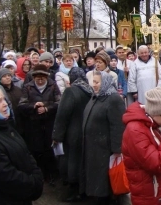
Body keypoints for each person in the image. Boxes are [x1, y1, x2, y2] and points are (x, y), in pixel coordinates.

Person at [0, 86, 44, 204]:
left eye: (4, 99)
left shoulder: (5, 126)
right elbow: (5, 177)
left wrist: (37, 175)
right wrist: (33, 184)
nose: (5, 104)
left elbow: (26, 153)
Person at [122, 87, 161, 205]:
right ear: (155, 112)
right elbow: (156, 164)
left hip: (154, 192)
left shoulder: (151, 125)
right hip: (147, 196)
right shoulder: (136, 130)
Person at [81, 71, 125, 205]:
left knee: (104, 180)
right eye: (93, 82)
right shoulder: (96, 96)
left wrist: (117, 149)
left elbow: (118, 125)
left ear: (105, 82)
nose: (94, 85)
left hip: (104, 149)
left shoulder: (113, 99)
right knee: (96, 178)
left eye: (97, 82)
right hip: (93, 147)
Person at [52, 67, 93, 202]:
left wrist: (57, 136)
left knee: (72, 162)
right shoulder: (90, 90)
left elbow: (62, 115)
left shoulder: (70, 92)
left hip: (72, 133)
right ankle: (85, 189)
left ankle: (74, 191)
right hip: (87, 132)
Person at [18, 64, 61, 185]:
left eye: (43, 77)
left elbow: (59, 102)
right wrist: (33, 106)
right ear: (34, 77)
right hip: (34, 124)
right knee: (37, 149)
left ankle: (52, 174)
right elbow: (21, 105)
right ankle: (40, 174)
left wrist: (47, 108)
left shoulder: (53, 86)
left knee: (50, 149)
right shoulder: (28, 87)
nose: (40, 79)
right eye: (38, 77)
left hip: (49, 122)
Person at [0, 68, 24, 134]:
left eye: (9, 75)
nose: (7, 78)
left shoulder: (17, 89)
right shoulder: (0, 92)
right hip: (10, 121)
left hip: (21, 119)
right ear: (0, 79)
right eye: (4, 76)